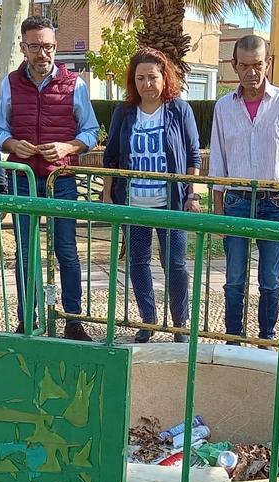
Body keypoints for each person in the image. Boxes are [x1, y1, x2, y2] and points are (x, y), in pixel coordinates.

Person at [0, 15, 100, 341]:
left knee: (65, 251)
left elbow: (91, 131)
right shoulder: (10, 83)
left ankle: (71, 320)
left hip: (61, 180)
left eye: (49, 46)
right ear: (24, 47)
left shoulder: (74, 84)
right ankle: (29, 319)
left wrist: (68, 145)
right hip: (23, 178)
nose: (43, 53)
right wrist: (12, 144)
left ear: (56, 47)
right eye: (36, 46)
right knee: (26, 254)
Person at [208, 35, 279, 346]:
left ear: (268, 64)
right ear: (235, 66)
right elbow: (218, 160)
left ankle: (267, 338)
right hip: (236, 200)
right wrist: (219, 209)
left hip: (275, 202)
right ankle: (233, 338)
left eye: (258, 65)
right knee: (234, 277)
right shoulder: (224, 107)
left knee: (270, 279)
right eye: (245, 66)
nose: (252, 72)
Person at [101, 48, 202, 343]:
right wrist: (108, 195)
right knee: (138, 262)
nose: (147, 84)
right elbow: (112, 157)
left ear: (164, 77)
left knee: (176, 265)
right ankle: (149, 319)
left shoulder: (179, 110)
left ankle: (180, 323)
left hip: (170, 204)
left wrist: (192, 194)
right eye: (140, 78)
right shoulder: (124, 112)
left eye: (153, 77)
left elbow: (194, 155)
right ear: (133, 81)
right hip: (134, 204)